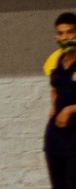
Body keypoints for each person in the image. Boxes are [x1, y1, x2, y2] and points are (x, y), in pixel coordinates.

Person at [44, 11, 76, 189]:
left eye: (70, 32)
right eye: (61, 33)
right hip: (55, 140)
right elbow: (55, 87)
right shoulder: (56, 60)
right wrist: (54, 106)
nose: (65, 38)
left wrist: (70, 109)